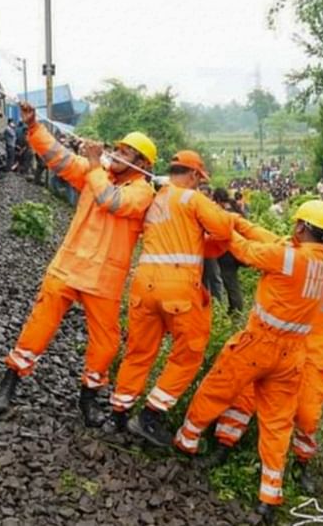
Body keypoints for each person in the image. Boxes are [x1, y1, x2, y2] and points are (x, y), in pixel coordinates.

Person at [0, 102, 157, 426]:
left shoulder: (142, 192)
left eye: (126, 152)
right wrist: (34, 127)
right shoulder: (98, 173)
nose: (117, 153)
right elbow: (59, 159)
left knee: (105, 345)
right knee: (38, 326)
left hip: (104, 280)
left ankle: (88, 398)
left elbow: (112, 201)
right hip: (67, 267)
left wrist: (94, 165)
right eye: (118, 148)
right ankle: (9, 382)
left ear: (143, 164)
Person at [173, 201, 323, 524]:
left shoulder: (287, 257)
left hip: (259, 343)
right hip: (292, 356)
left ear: (301, 228)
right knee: (277, 425)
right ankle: (269, 495)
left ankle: (187, 440)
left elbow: (244, 250)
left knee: (217, 388)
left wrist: (221, 224)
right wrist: (238, 220)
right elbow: (264, 239)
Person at [105, 151, 247, 445]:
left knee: (138, 352)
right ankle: (151, 416)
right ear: (194, 175)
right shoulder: (191, 199)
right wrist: (229, 217)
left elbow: (187, 241)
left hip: (143, 284)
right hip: (178, 287)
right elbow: (221, 229)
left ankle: (119, 414)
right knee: (188, 353)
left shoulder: (154, 199)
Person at [201, 238, 323, 496]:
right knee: (245, 396)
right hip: (279, 343)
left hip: (315, 351)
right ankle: (224, 446)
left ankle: (300, 465)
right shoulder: (292, 250)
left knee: (308, 414)